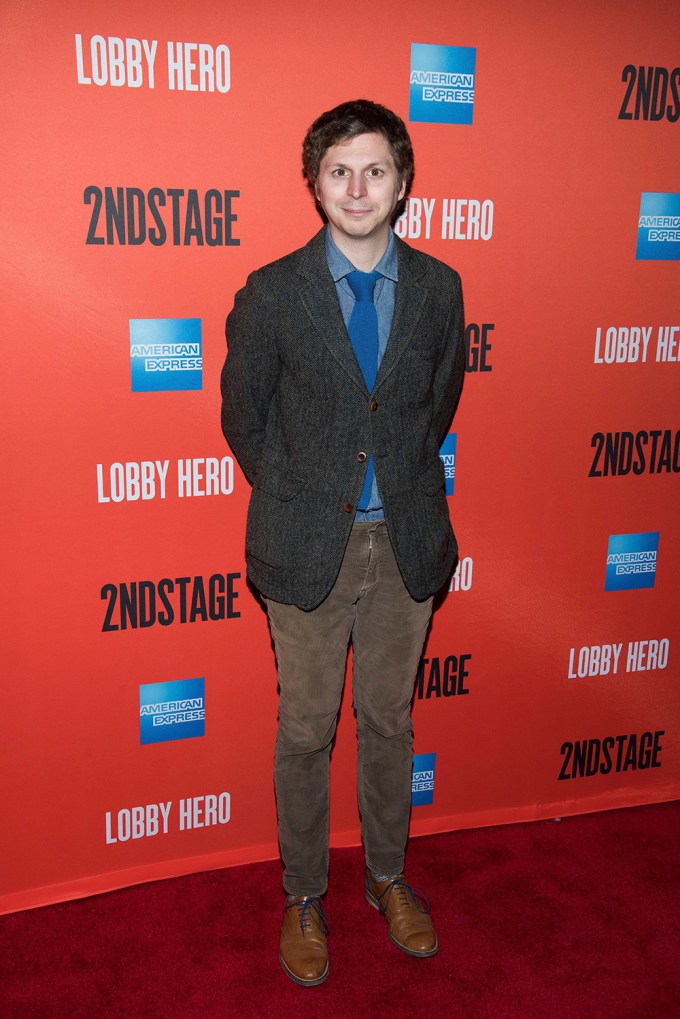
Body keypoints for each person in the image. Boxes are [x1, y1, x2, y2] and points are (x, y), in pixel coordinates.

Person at [221, 99, 465, 987]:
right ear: (315, 182)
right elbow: (243, 418)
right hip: (305, 548)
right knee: (304, 727)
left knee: (392, 722)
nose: (357, 188)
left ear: (402, 183)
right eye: (338, 170)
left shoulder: (440, 289)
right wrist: (306, 494)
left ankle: (390, 877)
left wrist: (390, 480)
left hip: (406, 542)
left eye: (375, 170)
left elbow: (436, 406)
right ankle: (303, 892)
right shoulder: (272, 291)